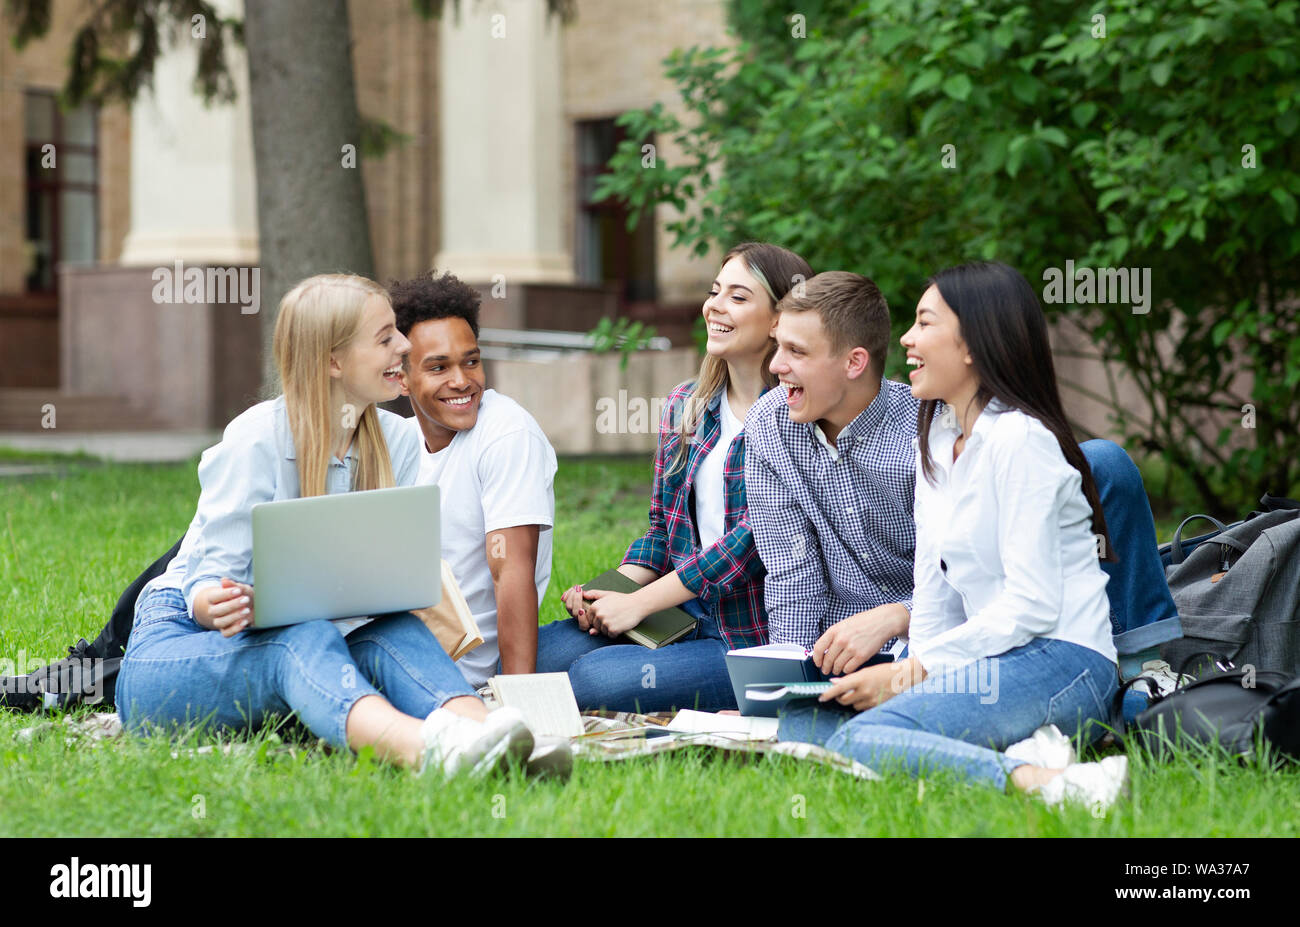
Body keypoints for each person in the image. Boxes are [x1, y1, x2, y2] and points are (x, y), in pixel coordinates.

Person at [115, 274, 539, 779]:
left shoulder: (397, 440)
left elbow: (379, 588)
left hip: (320, 637)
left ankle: (493, 736)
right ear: (334, 362)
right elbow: (205, 590)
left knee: (394, 626)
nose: (404, 345)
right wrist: (224, 604)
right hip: (179, 646)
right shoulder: (255, 440)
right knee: (302, 634)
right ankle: (431, 752)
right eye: (385, 338)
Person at [745, 271, 1182, 712]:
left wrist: (903, 619)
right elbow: (791, 571)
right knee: (816, 727)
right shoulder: (771, 424)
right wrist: (786, 683)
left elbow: (985, 579)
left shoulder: (938, 427)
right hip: (854, 645)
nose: (775, 366)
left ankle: (1143, 668)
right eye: (778, 346)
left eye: (794, 351)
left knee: (1103, 462)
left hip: (967, 631)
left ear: (854, 362)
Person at [776, 261, 1128, 810]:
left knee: (861, 740)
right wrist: (910, 669)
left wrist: (916, 673)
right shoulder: (939, 438)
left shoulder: (1019, 441)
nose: (908, 340)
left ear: (972, 344)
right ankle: (1030, 751)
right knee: (800, 728)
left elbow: (1033, 606)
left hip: (1064, 659)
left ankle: (1060, 785)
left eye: (924, 323)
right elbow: (934, 596)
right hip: (989, 660)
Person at [535, 242, 812, 712]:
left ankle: (692, 677)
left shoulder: (796, 413)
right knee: (540, 656)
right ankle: (668, 660)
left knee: (592, 680)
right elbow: (662, 530)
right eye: (714, 291)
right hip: (679, 611)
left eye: (738, 297)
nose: (715, 306)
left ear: (777, 321)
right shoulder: (688, 406)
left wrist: (639, 605)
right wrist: (612, 589)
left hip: (746, 633)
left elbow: (747, 547)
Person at [390, 270, 557, 688]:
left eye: (471, 361)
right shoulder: (397, 444)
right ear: (401, 378)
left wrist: (518, 697)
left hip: (466, 671)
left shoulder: (507, 433)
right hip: (399, 648)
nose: (462, 381)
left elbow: (511, 570)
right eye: (438, 367)